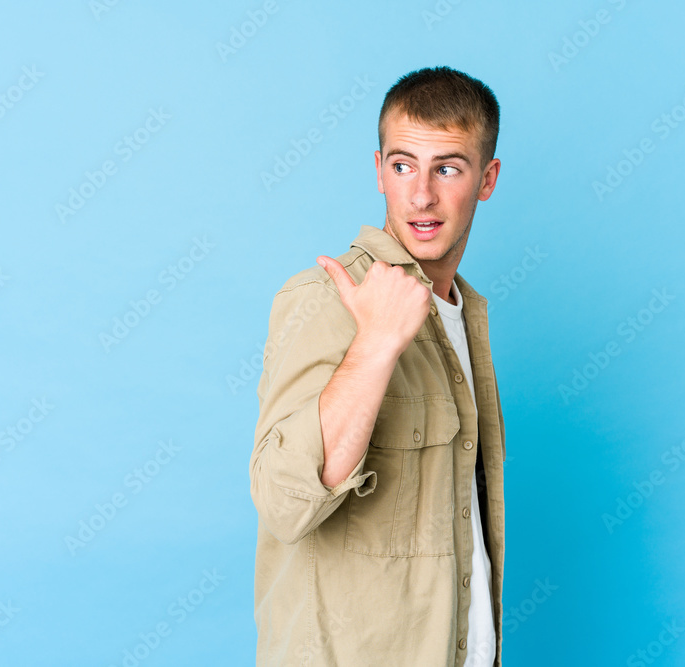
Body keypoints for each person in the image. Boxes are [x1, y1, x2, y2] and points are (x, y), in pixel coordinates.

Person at [250, 65, 506, 666]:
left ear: (487, 179)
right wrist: (376, 345)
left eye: (448, 168)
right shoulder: (327, 297)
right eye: (403, 166)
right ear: (378, 171)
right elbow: (285, 502)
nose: (421, 195)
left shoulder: (464, 314)